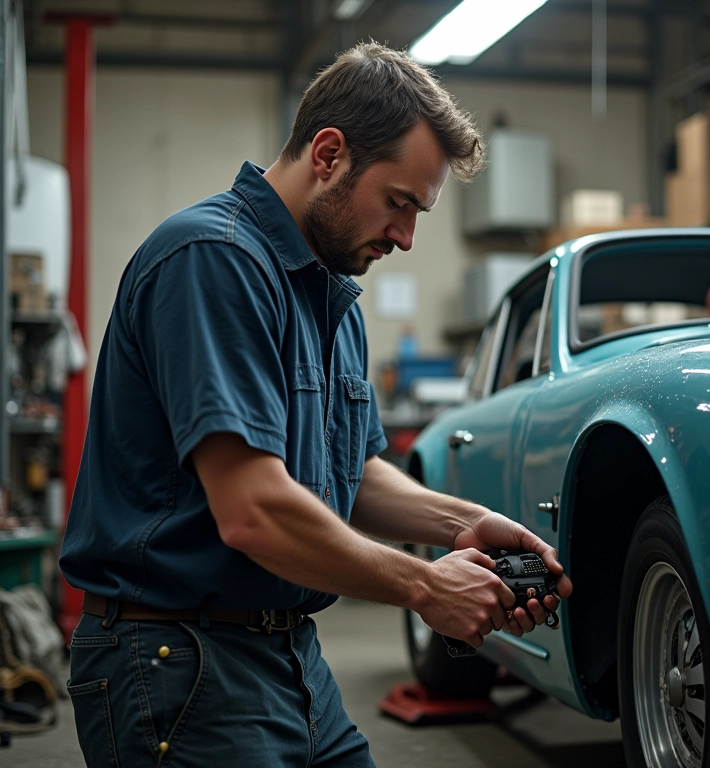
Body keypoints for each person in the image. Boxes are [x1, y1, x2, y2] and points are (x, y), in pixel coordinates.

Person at [60, 42, 573, 767]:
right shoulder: (213, 260)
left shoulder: (331, 296)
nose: (405, 236)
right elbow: (253, 509)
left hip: (289, 657)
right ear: (328, 154)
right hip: (176, 660)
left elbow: (350, 476)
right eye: (399, 204)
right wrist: (426, 585)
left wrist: (466, 523)